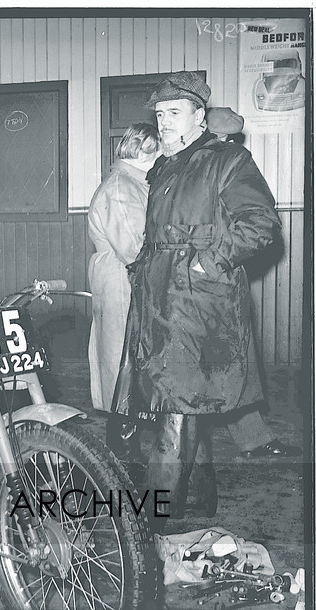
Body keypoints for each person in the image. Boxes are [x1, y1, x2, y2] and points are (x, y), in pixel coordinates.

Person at [112, 72, 281, 533]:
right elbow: (154, 237)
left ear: (199, 118)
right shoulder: (164, 168)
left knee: (175, 405)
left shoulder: (227, 160)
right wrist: (142, 270)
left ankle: (153, 526)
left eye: (173, 114)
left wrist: (207, 263)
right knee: (184, 401)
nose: (163, 124)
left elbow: (260, 223)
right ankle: (202, 499)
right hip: (159, 301)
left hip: (199, 307)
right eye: (160, 115)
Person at [202, 106, 302, 459]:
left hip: (204, 272)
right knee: (231, 363)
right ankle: (252, 440)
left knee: (223, 364)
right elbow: (258, 221)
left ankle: (249, 439)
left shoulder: (190, 162)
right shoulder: (230, 158)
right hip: (218, 274)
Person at [86, 123, 161, 467]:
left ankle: (126, 446)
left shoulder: (133, 183)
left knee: (127, 359)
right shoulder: (122, 188)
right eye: (158, 150)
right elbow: (133, 248)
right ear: (144, 151)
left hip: (123, 275)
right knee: (122, 363)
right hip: (122, 276)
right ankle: (123, 453)